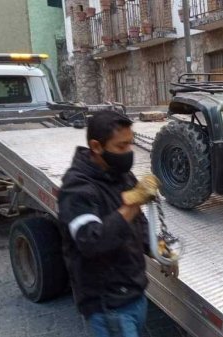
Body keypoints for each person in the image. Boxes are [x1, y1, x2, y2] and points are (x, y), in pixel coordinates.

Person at [58, 111, 165, 337]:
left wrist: (157, 249)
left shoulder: (120, 174)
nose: (128, 153)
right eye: (121, 147)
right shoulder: (76, 188)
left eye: (130, 144)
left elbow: (138, 222)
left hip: (133, 292)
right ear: (97, 147)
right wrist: (131, 205)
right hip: (109, 304)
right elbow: (91, 241)